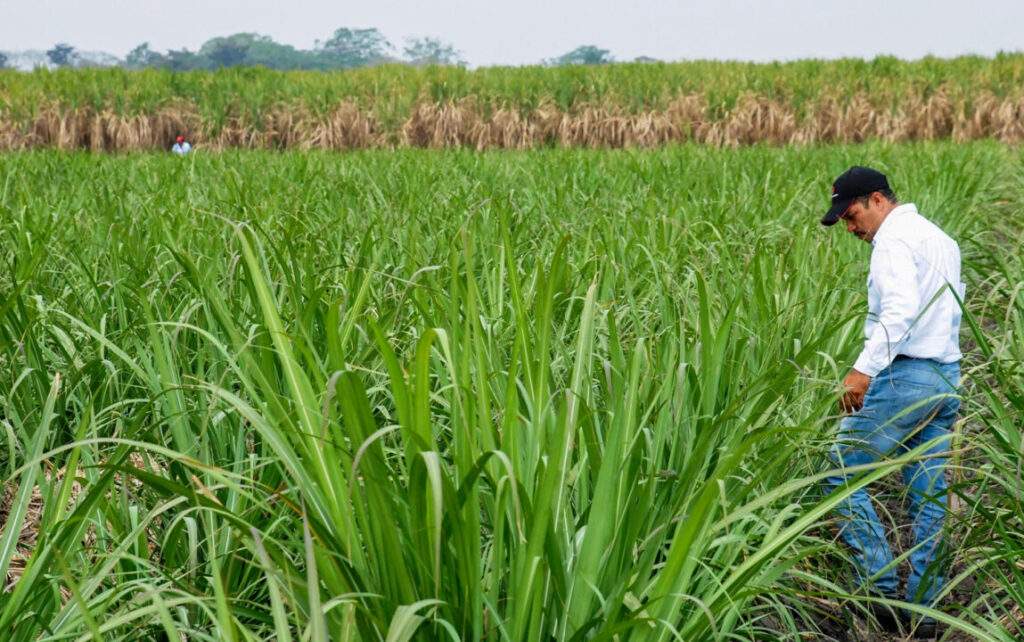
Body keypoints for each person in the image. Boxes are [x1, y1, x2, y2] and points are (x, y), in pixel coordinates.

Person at [820, 166, 964, 639]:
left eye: (852, 213)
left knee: (839, 471)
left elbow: (899, 310)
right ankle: (926, 612)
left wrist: (863, 372)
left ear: (878, 200)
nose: (850, 226)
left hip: (907, 377)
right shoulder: (939, 238)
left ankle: (879, 593)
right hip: (945, 377)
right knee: (928, 500)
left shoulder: (892, 242)